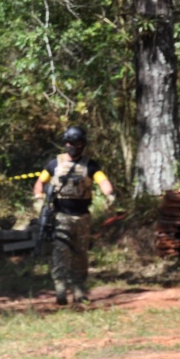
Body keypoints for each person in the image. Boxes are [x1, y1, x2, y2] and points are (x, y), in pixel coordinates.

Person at [32, 125, 115, 305]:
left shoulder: (90, 165)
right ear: (65, 143)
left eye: (77, 143)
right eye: (70, 143)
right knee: (60, 251)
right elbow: (40, 182)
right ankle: (60, 288)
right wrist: (38, 196)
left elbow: (103, 181)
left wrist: (110, 195)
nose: (73, 147)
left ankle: (79, 288)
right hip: (61, 216)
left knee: (80, 253)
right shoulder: (54, 164)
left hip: (82, 217)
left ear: (82, 144)